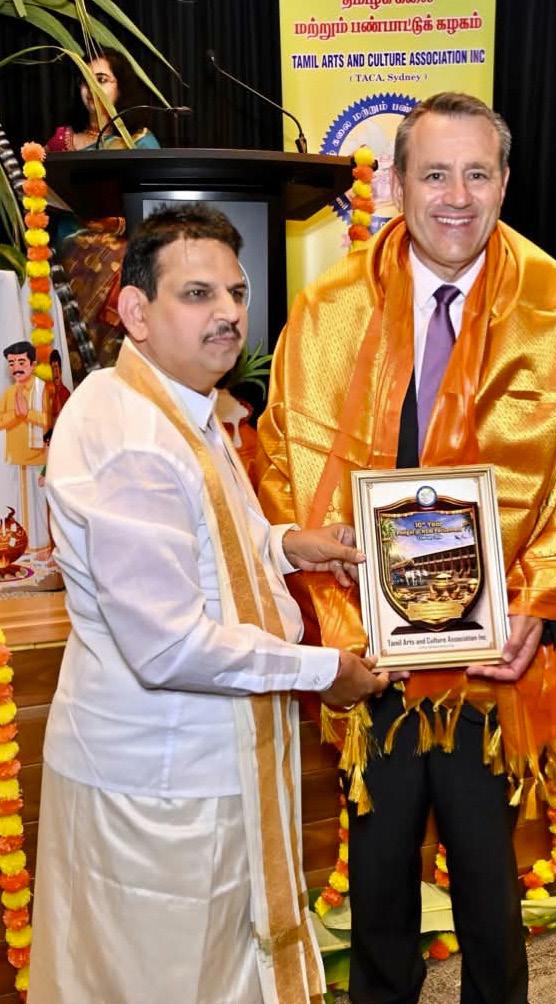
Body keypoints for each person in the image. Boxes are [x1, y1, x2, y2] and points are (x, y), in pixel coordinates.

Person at [256, 92, 556, 1004]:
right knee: (378, 876)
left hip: (495, 660)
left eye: (476, 174)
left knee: (489, 883)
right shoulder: (331, 308)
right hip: (371, 648)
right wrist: (340, 623)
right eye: (434, 174)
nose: (456, 197)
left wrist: (536, 609)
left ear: (504, 181)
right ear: (395, 183)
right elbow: (283, 461)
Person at [29, 204, 387, 1004]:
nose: (227, 312)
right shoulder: (134, 438)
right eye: (197, 294)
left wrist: (289, 545)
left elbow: (210, 547)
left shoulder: (175, 403)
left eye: (236, 291)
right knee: (164, 979)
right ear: (135, 311)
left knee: (219, 964)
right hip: (160, 787)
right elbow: (169, 646)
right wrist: (324, 670)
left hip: (203, 765)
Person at [45, 49, 160, 379]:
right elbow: (41, 195)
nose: (91, 88)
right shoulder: (62, 141)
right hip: (66, 251)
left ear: (120, 87)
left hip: (124, 249)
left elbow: (156, 207)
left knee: (118, 255)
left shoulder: (139, 142)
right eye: (85, 81)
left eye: (102, 79)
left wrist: (119, 224)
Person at [0, 340, 50, 555]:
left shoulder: (44, 390)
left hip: (38, 460)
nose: (16, 368)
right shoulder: (9, 393)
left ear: (33, 364)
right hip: (15, 460)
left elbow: (50, 421)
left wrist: (27, 413)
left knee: (39, 507)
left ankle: (42, 547)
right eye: (12, 363)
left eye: (21, 362)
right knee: (17, 507)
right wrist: (16, 415)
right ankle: (23, 550)